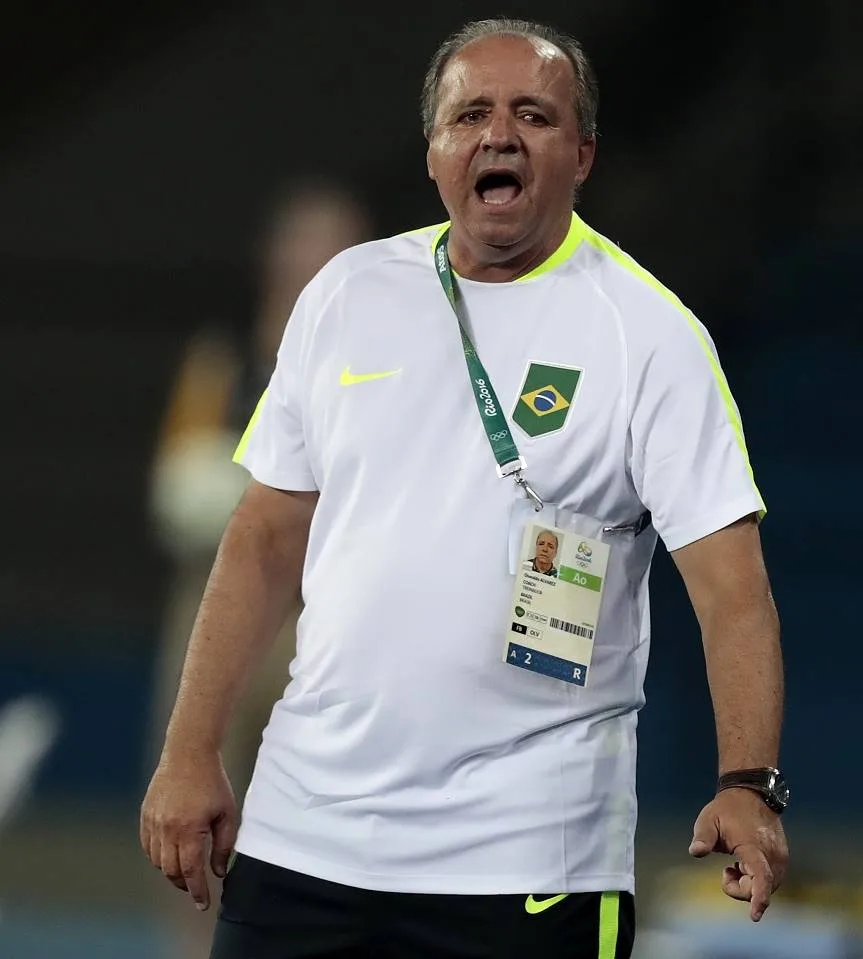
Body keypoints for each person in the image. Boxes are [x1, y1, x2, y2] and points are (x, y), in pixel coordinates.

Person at [140, 18, 789, 959]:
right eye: (471, 113)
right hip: (304, 839)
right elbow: (264, 537)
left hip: (525, 861)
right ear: (436, 149)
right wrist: (189, 748)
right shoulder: (345, 295)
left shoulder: (651, 338)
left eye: (533, 114)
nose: (499, 134)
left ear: (582, 154)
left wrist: (748, 781)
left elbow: (732, 588)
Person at [146, 180, 370, 957]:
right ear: (274, 257)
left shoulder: (375, 368)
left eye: (331, 242)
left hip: (321, 617)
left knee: (320, 812)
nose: (313, 258)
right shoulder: (224, 359)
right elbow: (174, 481)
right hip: (215, 604)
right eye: (301, 241)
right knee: (189, 803)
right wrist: (219, 494)